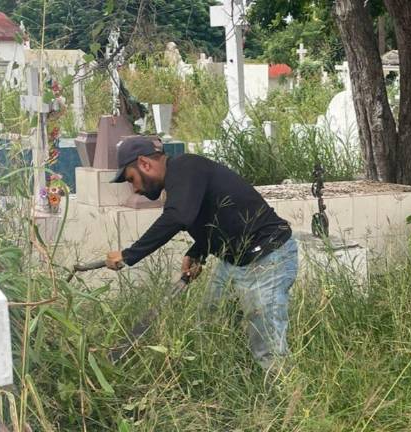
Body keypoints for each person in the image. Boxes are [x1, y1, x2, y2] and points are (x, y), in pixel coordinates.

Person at [105, 136, 298, 370]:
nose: (134, 188)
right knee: (211, 324)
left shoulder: (186, 167)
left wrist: (129, 255)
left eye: (131, 179)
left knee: (267, 349)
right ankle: (235, 383)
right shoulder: (183, 179)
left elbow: (178, 216)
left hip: (268, 258)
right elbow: (216, 215)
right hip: (235, 262)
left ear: (145, 163)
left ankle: (287, 401)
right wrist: (198, 252)